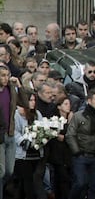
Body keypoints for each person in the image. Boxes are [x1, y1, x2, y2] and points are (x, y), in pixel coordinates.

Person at [65, 88, 95, 199]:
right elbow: (70, 134)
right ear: (89, 101)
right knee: (80, 183)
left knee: (94, 186)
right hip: (81, 155)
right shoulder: (78, 116)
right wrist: (77, 152)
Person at [0, 64, 27, 199]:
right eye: (2, 75)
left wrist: (19, 85)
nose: (6, 79)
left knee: (9, 172)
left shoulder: (10, 89)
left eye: (7, 75)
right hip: (0, 136)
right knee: (1, 171)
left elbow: (25, 103)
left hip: (10, 134)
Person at [14, 92, 47, 199]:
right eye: (30, 100)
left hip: (36, 154)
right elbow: (14, 132)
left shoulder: (37, 114)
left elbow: (42, 128)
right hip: (22, 155)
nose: (33, 103)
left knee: (33, 182)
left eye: (34, 100)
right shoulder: (17, 114)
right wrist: (24, 141)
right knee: (25, 182)